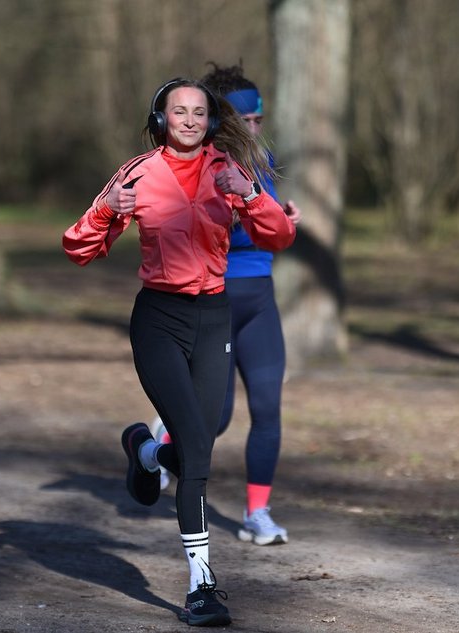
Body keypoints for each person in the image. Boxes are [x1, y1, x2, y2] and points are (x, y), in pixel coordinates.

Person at [62, 77, 295, 627]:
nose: (188, 119)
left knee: (198, 444)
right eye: (178, 111)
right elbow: (77, 248)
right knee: (195, 447)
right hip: (159, 320)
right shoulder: (137, 172)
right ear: (161, 117)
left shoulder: (229, 172)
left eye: (198, 111)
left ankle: (143, 451)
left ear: (211, 120)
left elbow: (280, 237)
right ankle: (201, 587)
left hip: (215, 317)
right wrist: (105, 211)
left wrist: (253, 196)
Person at [151, 63, 302, 547]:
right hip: (215, 302)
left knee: (268, 408)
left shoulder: (263, 160)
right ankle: (161, 447)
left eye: (260, 118)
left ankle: (258, 513)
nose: (256, 127)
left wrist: (281, 214)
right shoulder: (203, 168)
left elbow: (272, 224)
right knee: (215, 421)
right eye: (247, 120)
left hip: (260, 301)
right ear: (223, 122)